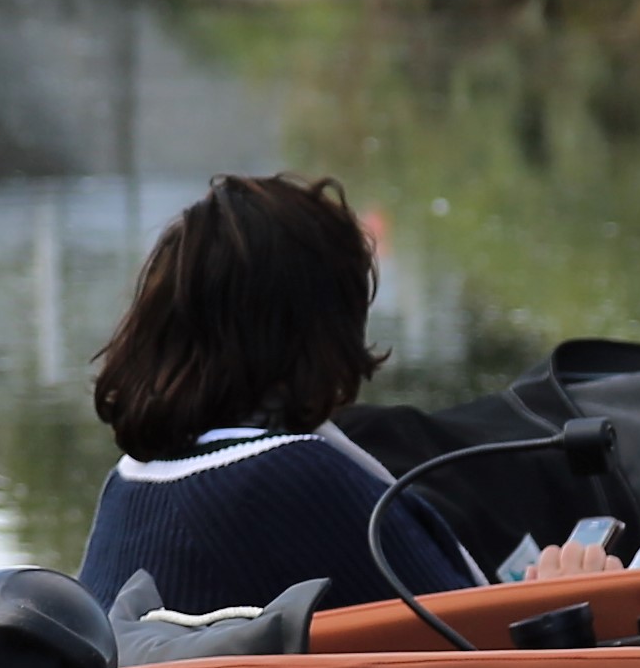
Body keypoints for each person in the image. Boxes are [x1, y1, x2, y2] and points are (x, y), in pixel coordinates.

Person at [78, 174, 485, 615]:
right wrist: (564, 594)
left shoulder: (127, 483)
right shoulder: (295, 477)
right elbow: (468, 632)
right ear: (321, 331)